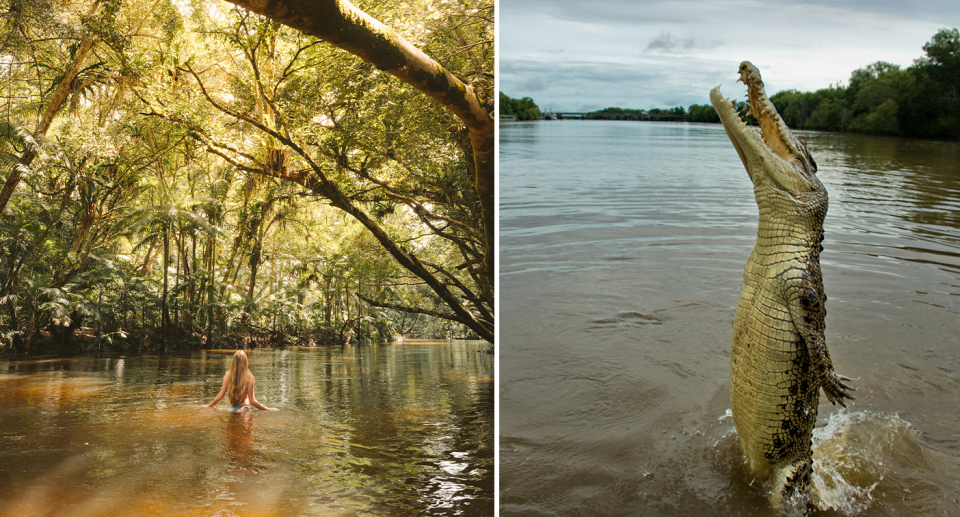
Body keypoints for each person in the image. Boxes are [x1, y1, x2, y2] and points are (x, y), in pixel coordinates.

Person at [204, 350, 278, 412]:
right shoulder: (250, 377)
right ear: (245, 362)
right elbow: (252, 401)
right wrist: (268, 409)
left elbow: (220, 397)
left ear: (233, 362)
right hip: (244, 408)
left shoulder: (228, 376)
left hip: (230, 409)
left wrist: (208, 405)